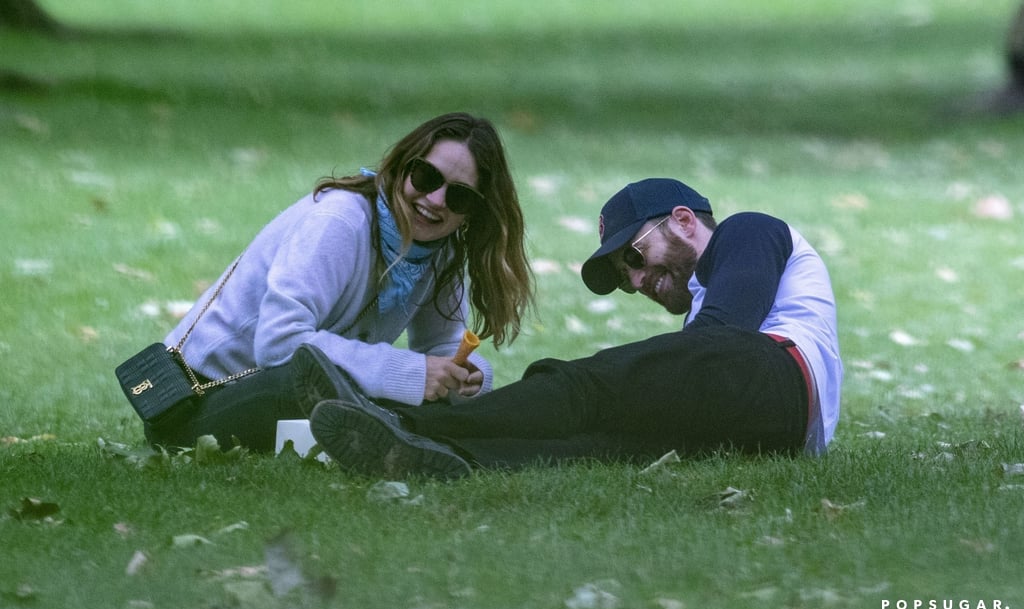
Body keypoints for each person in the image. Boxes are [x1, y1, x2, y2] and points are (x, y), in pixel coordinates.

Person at [302, 178, 843, 479]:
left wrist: (617, 378)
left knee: (585, 388)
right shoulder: (702, 313)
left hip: (779, 377)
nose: (636, 279)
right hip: (775, 429)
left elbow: (725, 339)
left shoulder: (748, 231)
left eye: (634, 254)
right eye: (624, 276)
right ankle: (439, 459)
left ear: (682, 220)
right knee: (597, 445)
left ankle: (399, 421)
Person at [138, 112, 534, 452]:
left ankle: (412, 443)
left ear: (473, 215)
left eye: (459, 197)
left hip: (299, 389)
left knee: (389, 400)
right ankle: (403, 441)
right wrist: (412, 374)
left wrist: (469, 376)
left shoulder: (440, 250)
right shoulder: (341, 221)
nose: (435, 201)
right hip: (197, 402)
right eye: (426, 176)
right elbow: (279, 345)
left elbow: (441, 346)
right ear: (402, 167)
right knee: (338, 391)